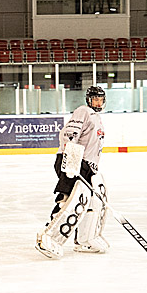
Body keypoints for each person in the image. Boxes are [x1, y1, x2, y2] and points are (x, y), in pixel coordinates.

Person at [36, 85, 108, 259]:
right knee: (68, 200)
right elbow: (69, 134)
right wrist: (72, 162)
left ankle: (85, 239)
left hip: (87, 166)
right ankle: (48, 236)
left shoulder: (96, 117)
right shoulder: (83, 111)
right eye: (94, 99)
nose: (97, 102)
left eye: (100, 99)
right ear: (88, 99)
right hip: (74, 160)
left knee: (90, 203)